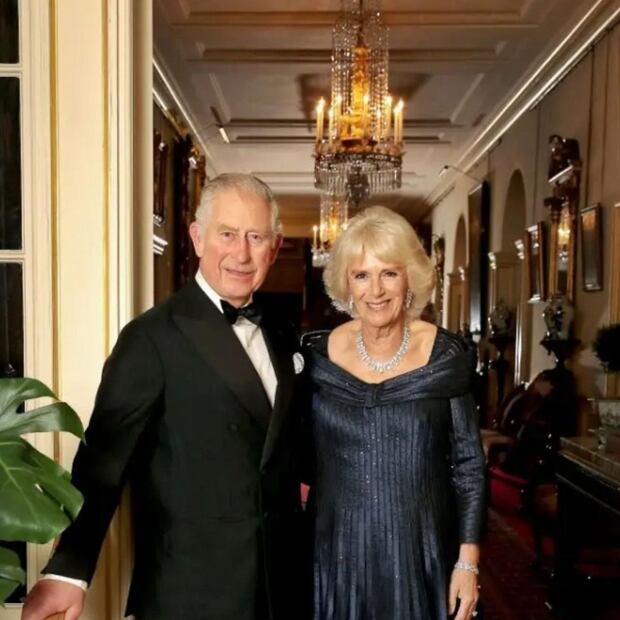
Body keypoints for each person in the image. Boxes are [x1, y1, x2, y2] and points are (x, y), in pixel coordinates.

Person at [21, 174, 310, 620]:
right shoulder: (152, 337)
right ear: (197, 237)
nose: (241, 253)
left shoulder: (282, 332)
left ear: (275, 247)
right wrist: (68, 570)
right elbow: (103, 462)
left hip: (282, 590)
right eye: (227, 234)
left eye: (256, 237)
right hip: (190, 593)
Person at [306, 206, 486, 620]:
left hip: (421, 553)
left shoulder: (445, 357)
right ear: (347, 284)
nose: (376, 290)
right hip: (336, 554)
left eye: (389, 273)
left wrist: (468, 563)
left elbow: (469, 467)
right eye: (361, 275)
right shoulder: (316, 357)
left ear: (410, 279)